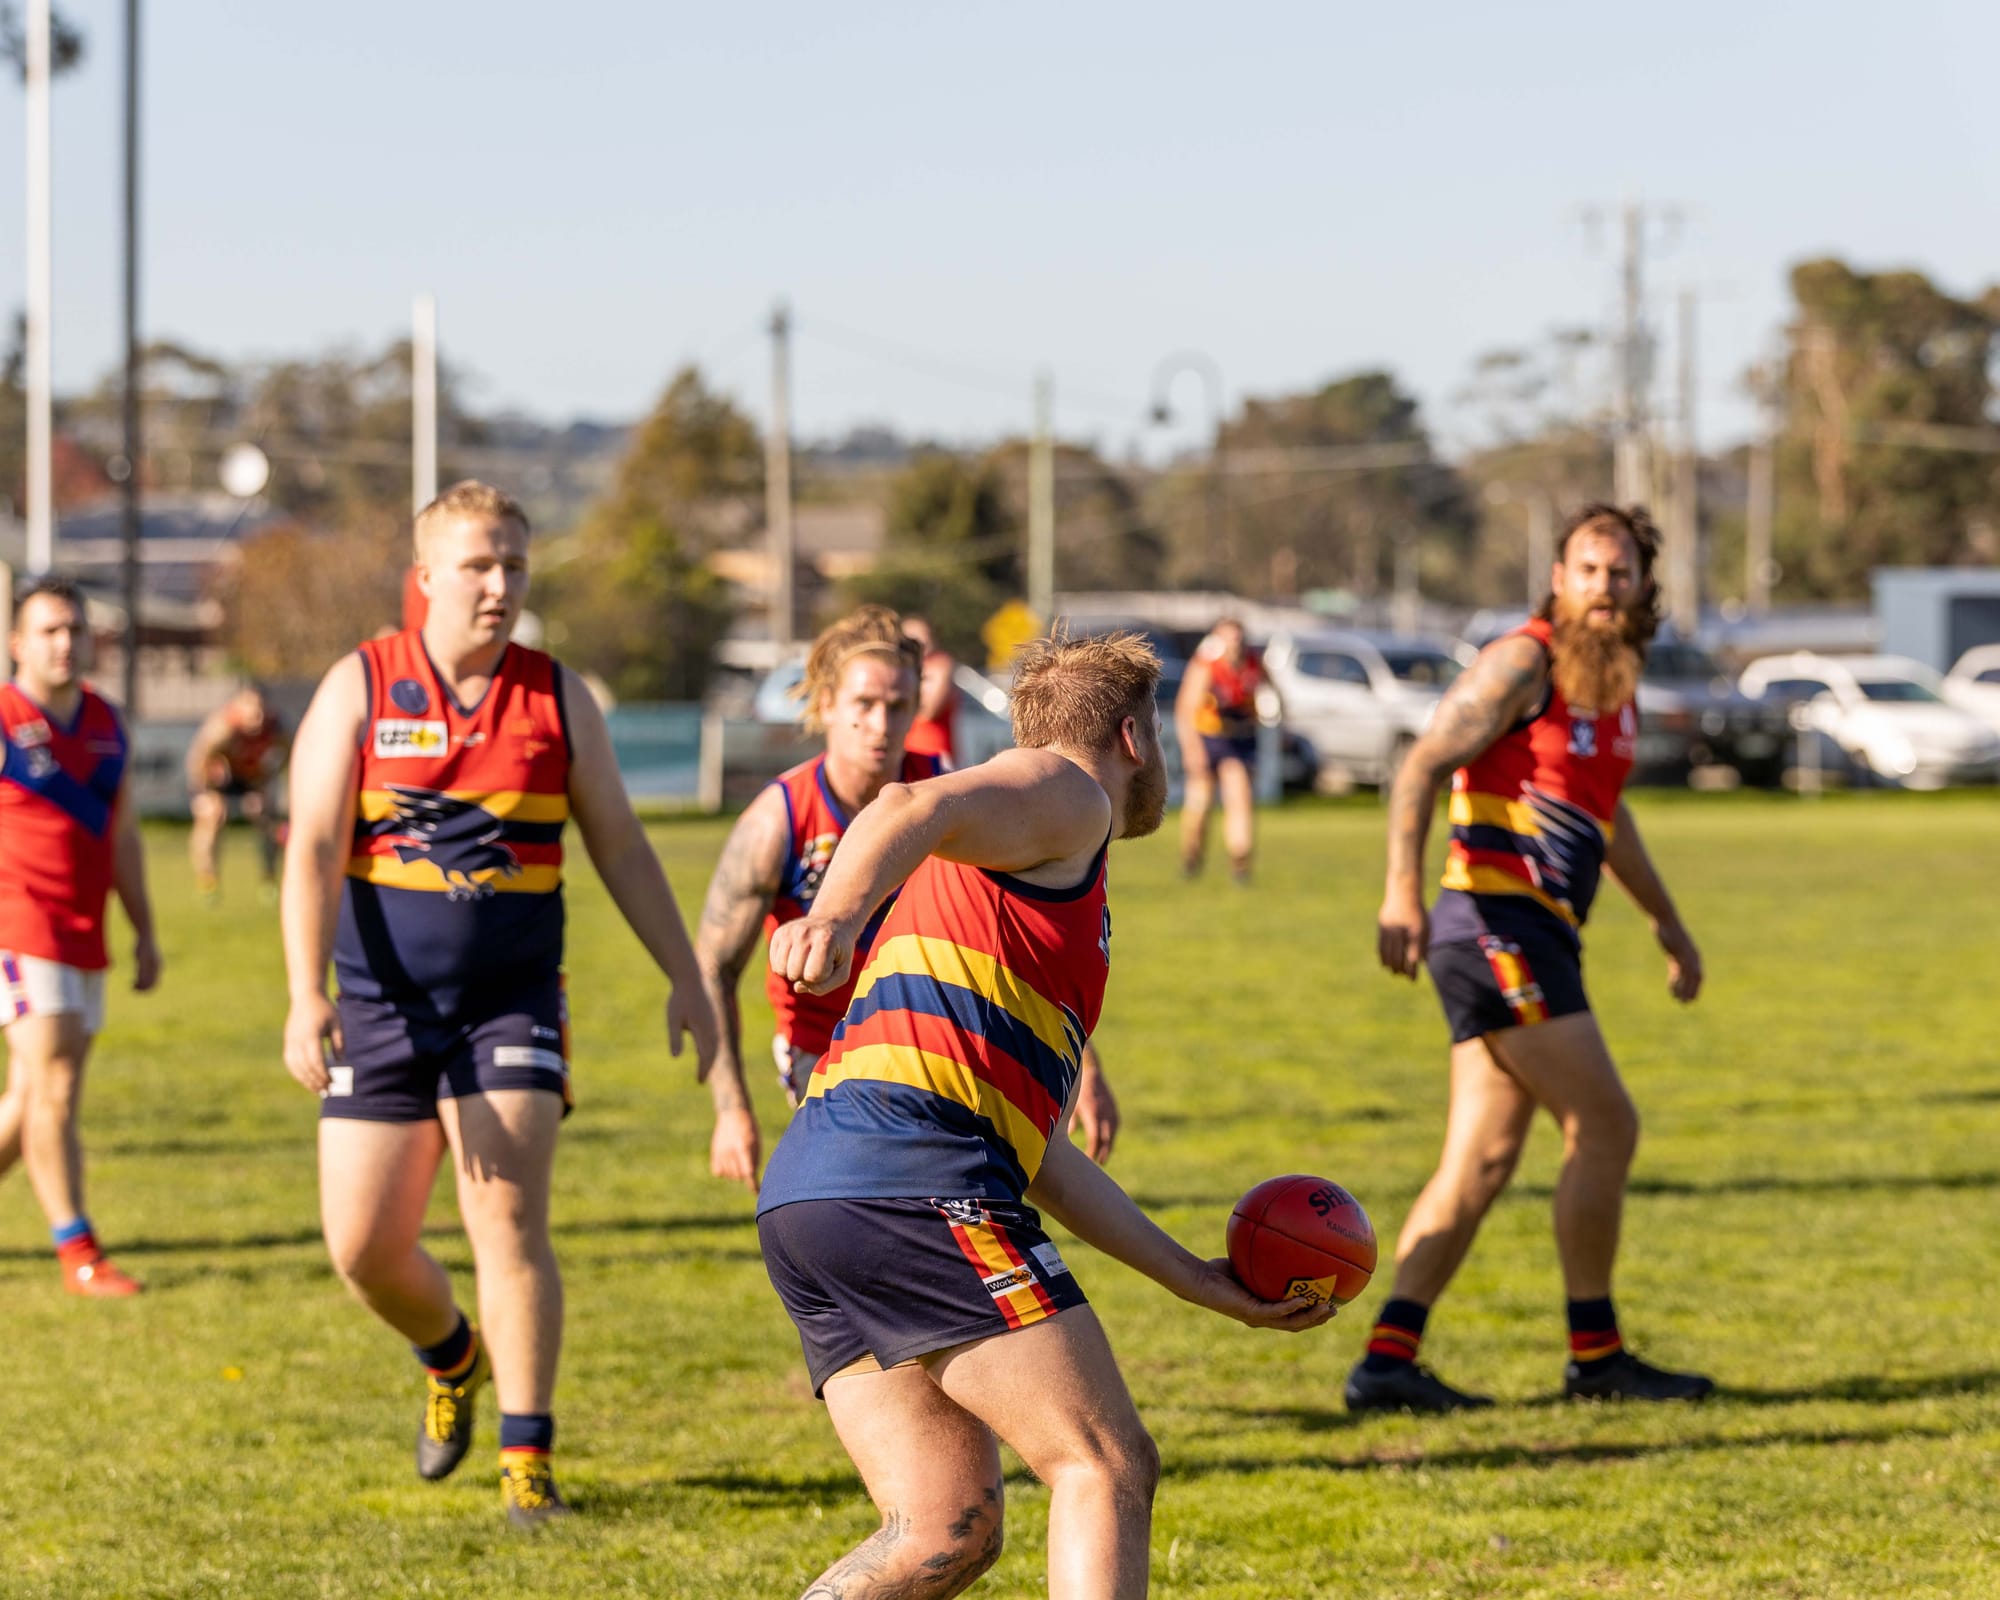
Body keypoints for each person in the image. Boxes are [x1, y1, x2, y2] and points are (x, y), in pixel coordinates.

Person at [759, 631, 1330, 1598]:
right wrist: (835, 916)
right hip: (915, 1180)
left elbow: (1043, 1161)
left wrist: (1199, 1282)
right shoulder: (1073, 793)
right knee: (1104, 1465)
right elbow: (906, 803)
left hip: (814, 1196)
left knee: (944, 1530)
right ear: (1134, 738)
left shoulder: (1028, 865)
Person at [280, 480, 717, 1526]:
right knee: (362, 1247)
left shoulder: (556, 696)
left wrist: (686, 972)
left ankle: (529, 1463)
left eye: (514, 565)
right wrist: (303, 992)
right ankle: (451, 1354)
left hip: (509, 1007)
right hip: (377, 1005)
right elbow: (312, 845)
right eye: (478, 564)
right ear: (425, 577)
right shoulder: (360, 685)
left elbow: (620, 844)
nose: (499, 584)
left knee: (508, 1221)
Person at [1350, 502, 1712, 1414]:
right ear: (1558, 579)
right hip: (1492, 926)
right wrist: (1399, 892)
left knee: (1481, 1159)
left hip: (1536, 933)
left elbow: (1606, 818)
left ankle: (1387, 1363)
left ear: (1642, 585)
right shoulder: (1524, 662)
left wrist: (1668, 923)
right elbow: (1421, 764)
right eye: (1587, 569)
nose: (1603, 586)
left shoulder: (1611, 684)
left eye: (1619, 571)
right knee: (1607, 1125)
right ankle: (1597, 1357)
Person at [699, 606, 1119, 1195]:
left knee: (953, 1193)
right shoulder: (780, 820)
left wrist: (1083, 1070)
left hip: (942, 1035)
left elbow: (1029, 940)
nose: (881, 724)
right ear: (827, 705)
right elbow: (714, 967)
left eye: (898, 706)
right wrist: (731, 1110)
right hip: (825, 1053)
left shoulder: (949, 795)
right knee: (894, 1195)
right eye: (864, 704)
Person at [0, 574, 161, 1296]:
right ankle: (79, 1253)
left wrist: (144, 930)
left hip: (85, 928)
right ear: (17, 643)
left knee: (32, 1096)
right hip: (18, 922)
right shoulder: (3, 717)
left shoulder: (106, 722)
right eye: (48, 631)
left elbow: (122, 835)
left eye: (75, 629)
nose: (64, 643)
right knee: (55, 1085)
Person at [1174, 618, 1270, 884]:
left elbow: (1271, 693)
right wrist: (1192, 749)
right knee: (1200, 804)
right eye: (1229, 638)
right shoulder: (1206, 665)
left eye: (1238, 638)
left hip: (1239, 738)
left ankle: (1240, 863)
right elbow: (1186, 710)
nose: (1234, 644)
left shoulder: (1253, 663)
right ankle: (1192, 856)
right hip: (1209, 736)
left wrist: (1271, 717)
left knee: (1240, 796)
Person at [186, 682, 290, 904]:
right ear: (238, 706)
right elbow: (199, 757)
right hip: (219, 777)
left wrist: (266, 778)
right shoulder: (224, 728)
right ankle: (208, 882)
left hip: (251, 778)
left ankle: (269, 878)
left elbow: (291, 756)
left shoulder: (276, 728)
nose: (257, 714)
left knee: (265, 817)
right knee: (212, 815)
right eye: (251, 707)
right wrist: (201, 793)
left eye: (261, 707)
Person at [899, 614, 958, 763]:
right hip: (905, 754)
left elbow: (929, 711)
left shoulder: (940, 665)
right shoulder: (902, 668)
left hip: (934, 755)